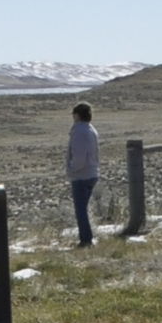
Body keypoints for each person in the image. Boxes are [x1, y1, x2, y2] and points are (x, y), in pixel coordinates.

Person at [66, 101, 101, 246]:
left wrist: (71, 169)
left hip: (81, 175)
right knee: (83, 209)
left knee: (80, 210)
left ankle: (86, 240)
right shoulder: (91, 129)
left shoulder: (79, 131)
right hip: (92, 172)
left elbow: (79, 156)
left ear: (78, 115)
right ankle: (87, 238)